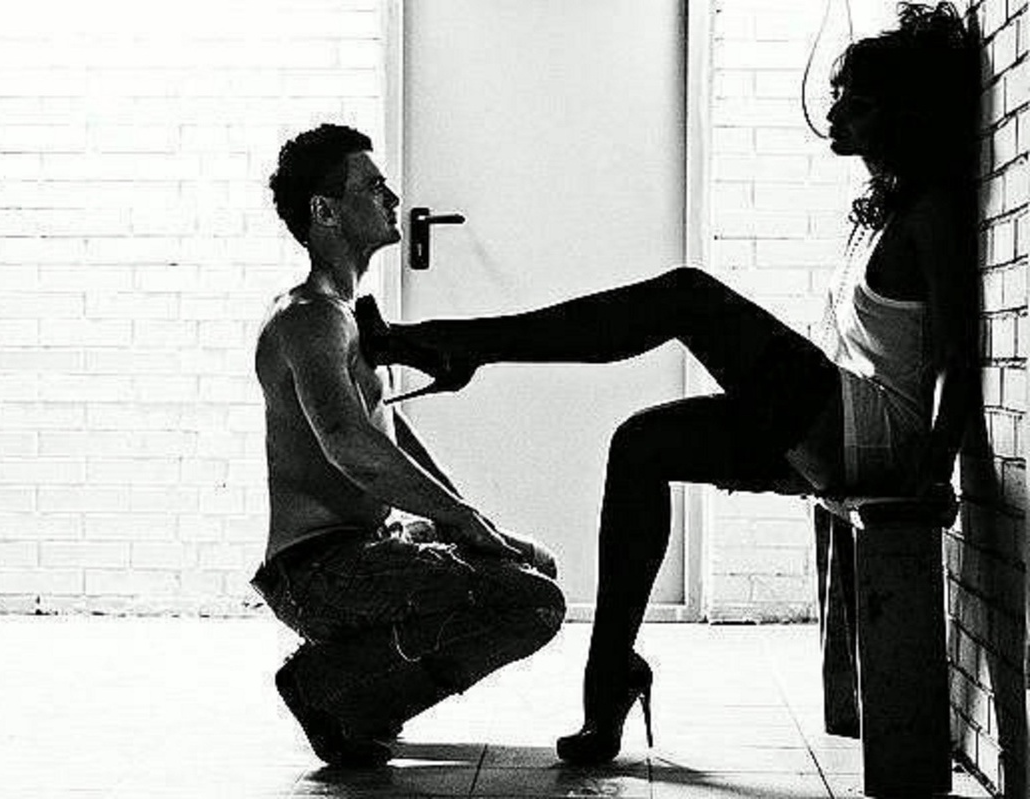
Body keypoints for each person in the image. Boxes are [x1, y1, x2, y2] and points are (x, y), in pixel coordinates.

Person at [356, 2, 978, 765]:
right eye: (840, 93)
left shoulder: (932, 212)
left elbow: (959, 354)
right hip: (842, 427)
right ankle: (609, 679)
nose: (835, 111)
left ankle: (457, 346)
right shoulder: (887, 211)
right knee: (641, 443)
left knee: (688, 295)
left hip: (873, 435)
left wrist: (932, 470)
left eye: (859, 101)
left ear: (904, 116)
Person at [250, 123, 565, 768]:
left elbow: (391, 436)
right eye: (373, 187)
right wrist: (460, 521)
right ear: (325, 211)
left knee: (535, 564)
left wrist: (467, 519)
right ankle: (327, 686)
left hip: (367, 547)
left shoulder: (345, 314)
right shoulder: (307, 319)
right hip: (318, 572)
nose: (392, 198)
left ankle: (360, 690)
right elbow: (348, 446)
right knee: (531, 602)